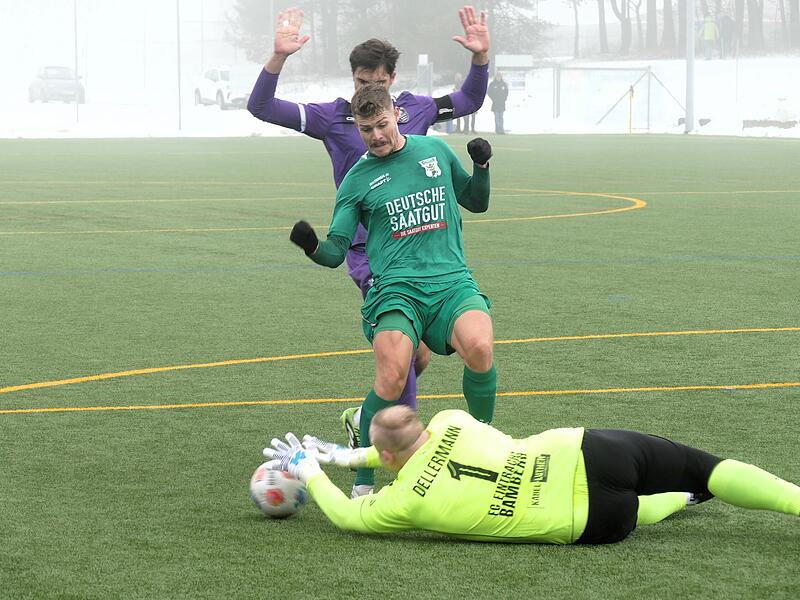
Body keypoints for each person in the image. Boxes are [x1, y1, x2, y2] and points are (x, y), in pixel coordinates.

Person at [248, 6, 490, 445]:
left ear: (392, 80)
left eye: (377, 83)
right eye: (361, 82)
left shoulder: (414, 111)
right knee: (400, 356)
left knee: (416, 359)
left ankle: (366, 418)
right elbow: (261, 107)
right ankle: (402, 449)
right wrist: (278, 56)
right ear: (353, 79)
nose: (369, 93)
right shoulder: (333, 117)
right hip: (368, 253)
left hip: (423, 250)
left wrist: (480, 58)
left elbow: (470, 101)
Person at [288, 83, 496, 498]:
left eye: (381, 124)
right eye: (366, 129)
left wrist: (483, 166)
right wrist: (311, 245)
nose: (376, 135)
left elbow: (475, 202)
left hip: (450, 280)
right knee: (392, 375)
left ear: (396, 115)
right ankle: (363, 484)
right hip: (396, 292)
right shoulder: (358, 180)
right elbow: (335, 252)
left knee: (480, 347)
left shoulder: (434, 152)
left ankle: (484, 449)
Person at [264, 405, 800, 544]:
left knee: (640, 511)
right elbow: (414, 449)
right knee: (708, 468)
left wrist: (316, 469)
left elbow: (344, 514)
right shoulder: (451, 421)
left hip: (589, 518)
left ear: (388, 456)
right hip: (591, 452)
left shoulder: (402, 505)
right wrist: (353, 456)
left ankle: (683, 500)